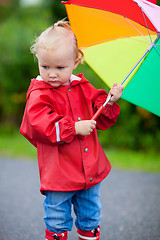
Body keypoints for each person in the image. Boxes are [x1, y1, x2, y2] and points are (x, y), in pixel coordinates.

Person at [20, 20, 124, 240]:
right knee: (57, 217)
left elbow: (103, 116)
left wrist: (110, 102)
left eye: (60, 68)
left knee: (90, 215)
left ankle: (89, 233)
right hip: (59, 174)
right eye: (45, 67)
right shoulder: (39, 94)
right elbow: (41, 125)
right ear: (38, 60)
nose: (52, 74)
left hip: (89, 170)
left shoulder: (83, 87)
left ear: (76, 62)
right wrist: (75, 127)